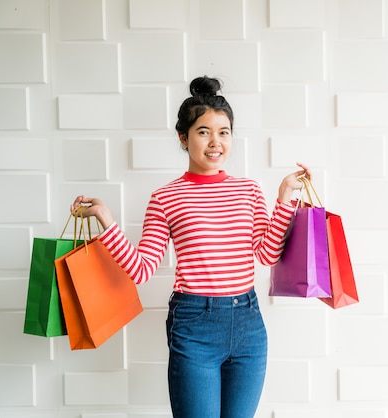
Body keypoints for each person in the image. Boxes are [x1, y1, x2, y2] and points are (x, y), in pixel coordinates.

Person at [71, 76, 311, 418]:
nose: (215, 142)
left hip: (249, 324)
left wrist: (284, 198)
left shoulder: (249, 191)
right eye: (203, 132)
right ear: (183, 138)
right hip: (194, 324)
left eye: (224, 132)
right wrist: (106, 219)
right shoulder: (166, 197)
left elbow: (267, 254)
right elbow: (141, 271)